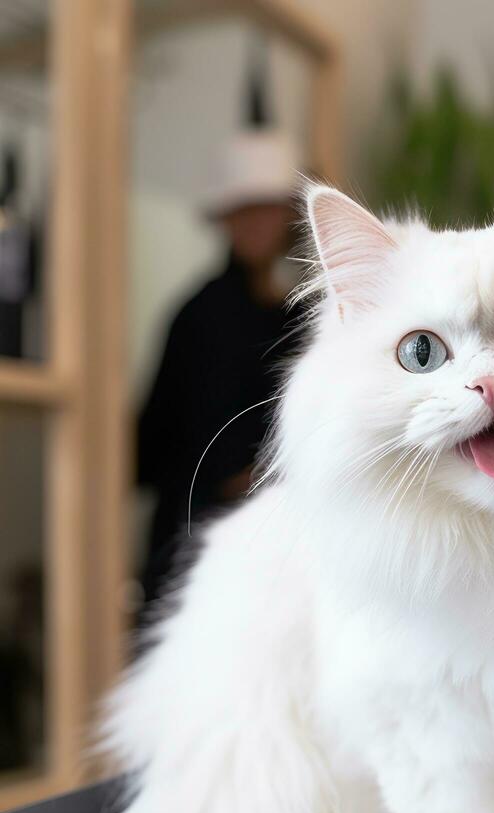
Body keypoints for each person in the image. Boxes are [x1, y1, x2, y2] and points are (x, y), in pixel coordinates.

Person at [137, 127, 303, 607]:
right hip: (199, 546)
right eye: (243, 210)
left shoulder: (295, 312)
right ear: (224, 219)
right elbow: (160, 444)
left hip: (268, 544)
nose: (256, 223)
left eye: (268, 208)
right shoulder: (200, 314)